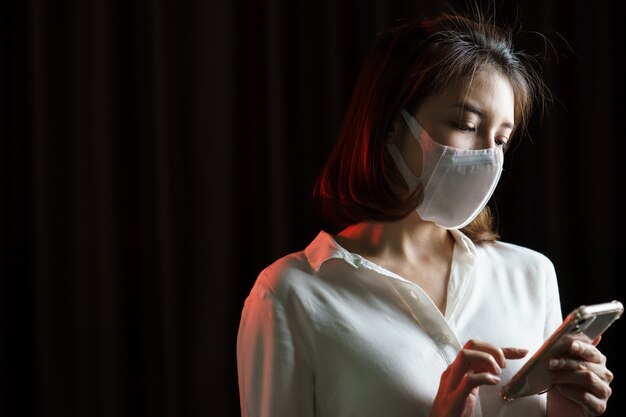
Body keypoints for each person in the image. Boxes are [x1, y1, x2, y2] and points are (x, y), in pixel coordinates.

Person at [236, 10, 614, 417]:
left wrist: (566, 409)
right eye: (466, 124)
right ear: (390, 126)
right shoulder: (289, 295)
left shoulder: (531, 275)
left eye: (501, 139)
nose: (488, 155)